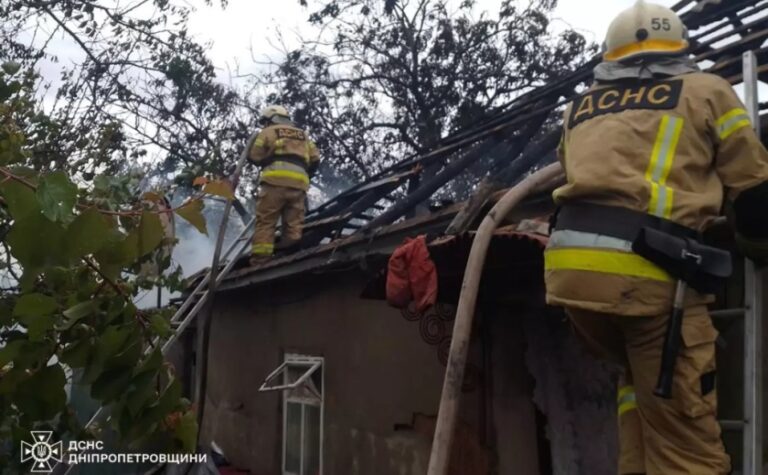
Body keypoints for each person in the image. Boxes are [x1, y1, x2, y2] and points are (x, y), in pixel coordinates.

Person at [545, 1, 768, 474]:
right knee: (688, 447)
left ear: (611, 57)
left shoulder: (578, 108)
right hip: (647, 278)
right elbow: (753, 195)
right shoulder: (708, 91)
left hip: (571, 283)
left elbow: (582, 181)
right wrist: (756, 248)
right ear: (680, 50)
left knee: (641, 385)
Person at [248, 105, 320, 265]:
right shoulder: (303, 135)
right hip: (299, 184)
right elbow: (315, 159)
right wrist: (304, 174)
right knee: (294, 223)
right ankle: (290, 257)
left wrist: (266, 159)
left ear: (269, 119)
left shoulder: (267, 132)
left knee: (266, 222)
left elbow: (254, 156)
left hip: (274, 182)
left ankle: (260, 260)